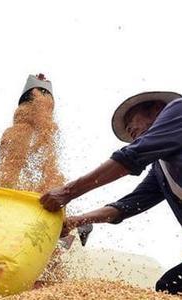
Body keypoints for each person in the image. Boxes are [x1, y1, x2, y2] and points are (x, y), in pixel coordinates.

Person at [40, 91, 182, 295]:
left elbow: (132, 156)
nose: (129, 129)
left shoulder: (178, 109)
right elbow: (129, 205)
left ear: (157, 108)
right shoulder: (160, 170)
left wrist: (68, 191)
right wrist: (75, 221)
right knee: (170, 287)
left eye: (131, 119)